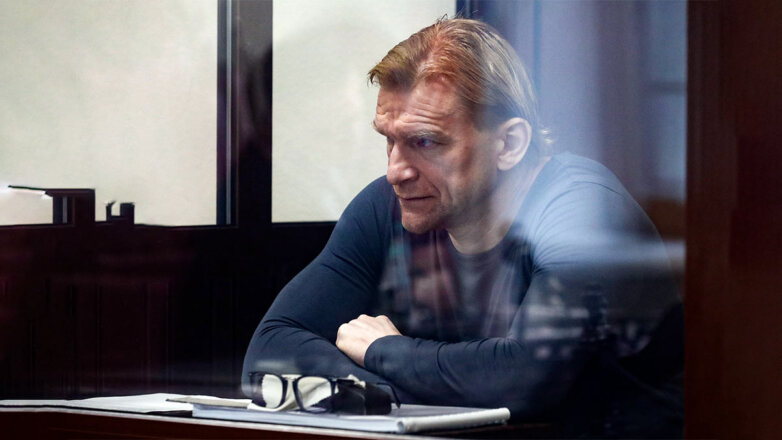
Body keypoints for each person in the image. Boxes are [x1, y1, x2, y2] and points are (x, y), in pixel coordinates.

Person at [243, 18, 683, 438]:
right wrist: (381, 391)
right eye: (389, 139)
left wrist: (383, 351)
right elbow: (270, 350)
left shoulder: (581, 210)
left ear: (509, 144)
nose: (396, 171)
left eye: (425, 142)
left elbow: (523, 379)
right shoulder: (387, 205)